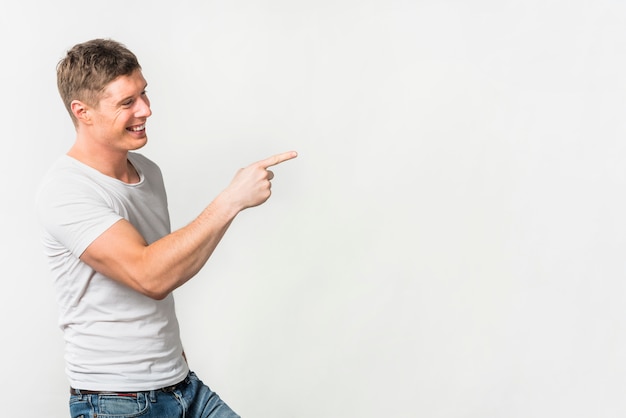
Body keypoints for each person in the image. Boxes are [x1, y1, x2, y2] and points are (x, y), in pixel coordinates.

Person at [36, 38, 297, 418]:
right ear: (83, 111)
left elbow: (170, 270)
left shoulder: (148, 173)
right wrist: (231, 200)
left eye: (144, 94)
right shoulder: (66, 191)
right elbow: (150, 276)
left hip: (181, 386)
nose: (146, 109)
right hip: (116, 402)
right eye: (127, 102)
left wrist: (177, 363)